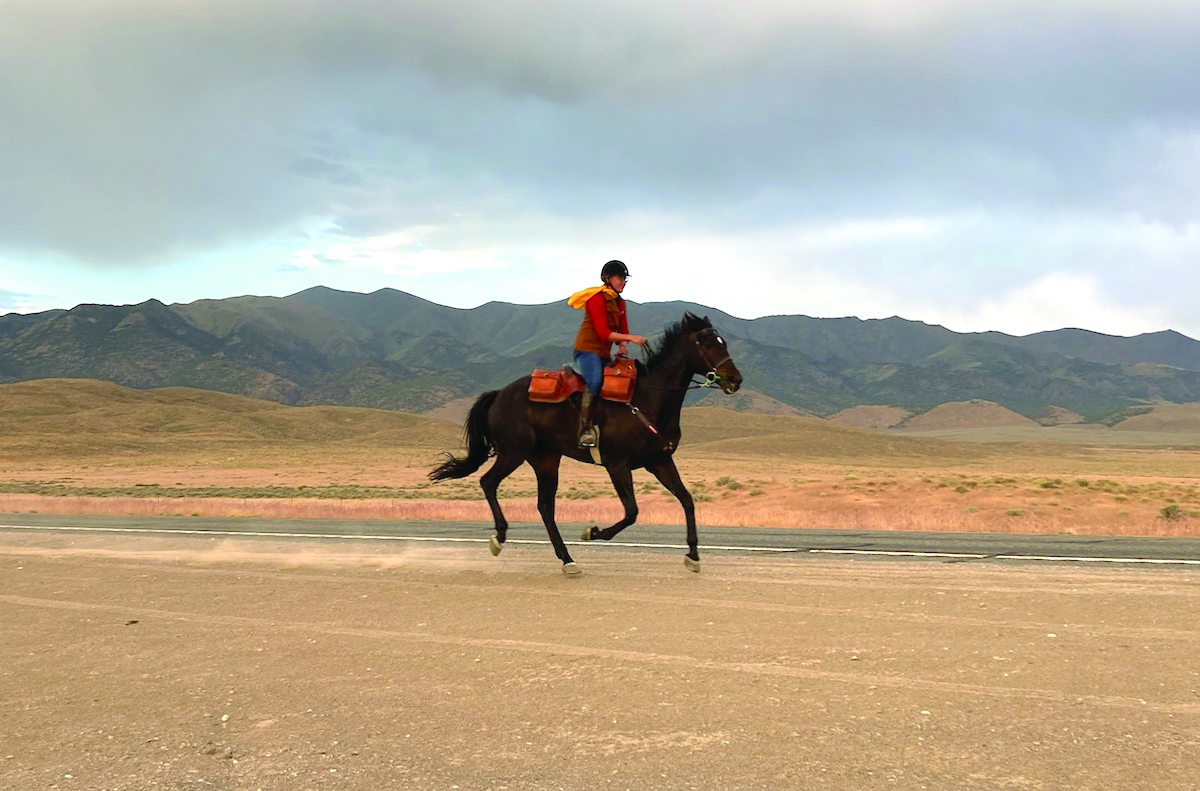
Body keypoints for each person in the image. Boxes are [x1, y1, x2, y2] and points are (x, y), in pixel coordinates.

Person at [567, 260, 648, 447]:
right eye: (620, 277)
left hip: (603, 353)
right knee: (595, 381)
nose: (623, 282)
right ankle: (584, 430)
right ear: (607, 279)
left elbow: (622, 328)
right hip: (587, 350)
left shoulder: (620, 303)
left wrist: (623, 344)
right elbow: (603, 332)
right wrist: (632, 338)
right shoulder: (596, 298)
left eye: (625, 279)